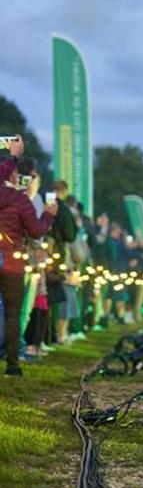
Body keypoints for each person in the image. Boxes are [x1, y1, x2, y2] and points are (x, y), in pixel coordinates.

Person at [0, 156, 57, 376]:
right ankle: (12, 365)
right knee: (13, 314)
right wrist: (49, 215)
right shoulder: (19, 199)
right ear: (13, 175)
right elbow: (35, 230)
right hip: (12, 263)